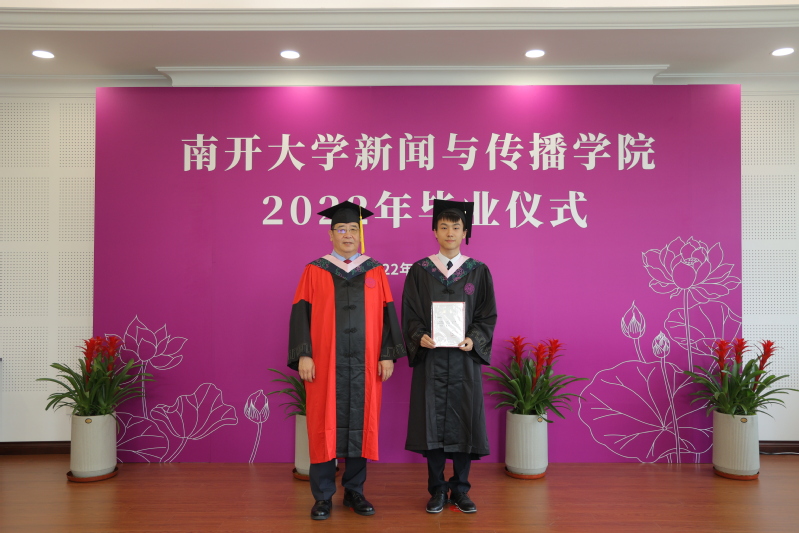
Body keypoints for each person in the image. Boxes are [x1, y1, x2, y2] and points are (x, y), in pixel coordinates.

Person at [287, 200, 405, 521]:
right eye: (342, 229)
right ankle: (323, 496)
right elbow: (301, 314)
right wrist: (304, 354)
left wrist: (387, 355)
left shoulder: (374, 270)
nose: (348, 234)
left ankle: (355, 491)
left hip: (366, 365)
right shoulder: (314, 270)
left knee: (361, 423)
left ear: (360, 234)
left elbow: (387, 315)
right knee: (322, 424)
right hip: (324, 364)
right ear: (331, 234)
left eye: (354, 229)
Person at [402, 199, 497, 514]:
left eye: (456, 227)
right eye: (444, 227)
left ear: (464, 232)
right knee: (432, 424)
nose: (450, 233)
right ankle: (437, 489)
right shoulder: (420, 270)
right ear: (435, 231)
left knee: (464, 423)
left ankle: (461, 489)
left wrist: (474, 338)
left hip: (463, 361)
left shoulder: (478, 271)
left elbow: (486, 315)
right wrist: (419, 335)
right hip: (431, 361)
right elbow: (410, 314)